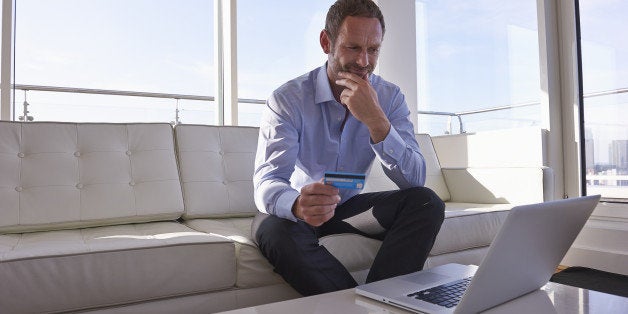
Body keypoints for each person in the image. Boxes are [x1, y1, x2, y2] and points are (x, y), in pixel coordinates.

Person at [252, 0, 445, 296]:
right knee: (274, 233)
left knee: (426, 202)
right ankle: (365, 306)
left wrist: (377, 122)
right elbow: (268, 181)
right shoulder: (287, 100)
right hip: (300, 211)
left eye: (373, 50)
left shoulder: (389, 98)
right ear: (326, 42)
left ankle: (380, 299)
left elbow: (414, 179)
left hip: (347, 210)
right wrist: (296, 205)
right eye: (353, 48)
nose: (364, 62)